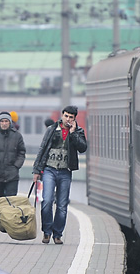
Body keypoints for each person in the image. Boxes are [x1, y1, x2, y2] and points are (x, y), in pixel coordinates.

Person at [32, 105, 87, 245]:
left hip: (65, 171)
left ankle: (58, 234)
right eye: (66, 116)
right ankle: (46, 231)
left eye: (71, 117)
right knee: (47, 201)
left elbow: (82, 148)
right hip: (49, 169)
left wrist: (73, 133)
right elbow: (42, 148)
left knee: (62, 205)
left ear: (74, 119)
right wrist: (37, 170)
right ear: (62, 115)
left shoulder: (78, 131)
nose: (68, 119)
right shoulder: (52, 130)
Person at [0, 112, 26, 199]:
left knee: (11, 201)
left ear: (10, 122)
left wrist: (16, 166)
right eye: (2, 121)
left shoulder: (17, 136)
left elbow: (21, 152)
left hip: (12, 175)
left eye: (6, 121)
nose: (4, 124)